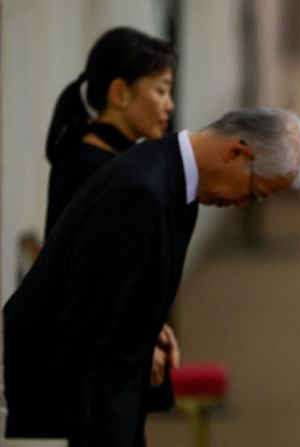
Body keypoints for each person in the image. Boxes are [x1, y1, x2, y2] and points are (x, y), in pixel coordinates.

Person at [4, 106, 300, 446]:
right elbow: (85, 322)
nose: (243, 205)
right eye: (254, 193)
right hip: (76, 403)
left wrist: (148, 326)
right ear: (237, 153)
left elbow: (116, 284)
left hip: (109, 394)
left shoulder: (173, 177)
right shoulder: (140, 191)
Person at [43, 26, 180, 412]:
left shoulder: (100, 160)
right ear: (120, 93)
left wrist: (151, 329)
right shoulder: (93, 168)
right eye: (160, 89)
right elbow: (90, 283)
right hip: (94, 365)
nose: (169, 104)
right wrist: (135, 344)